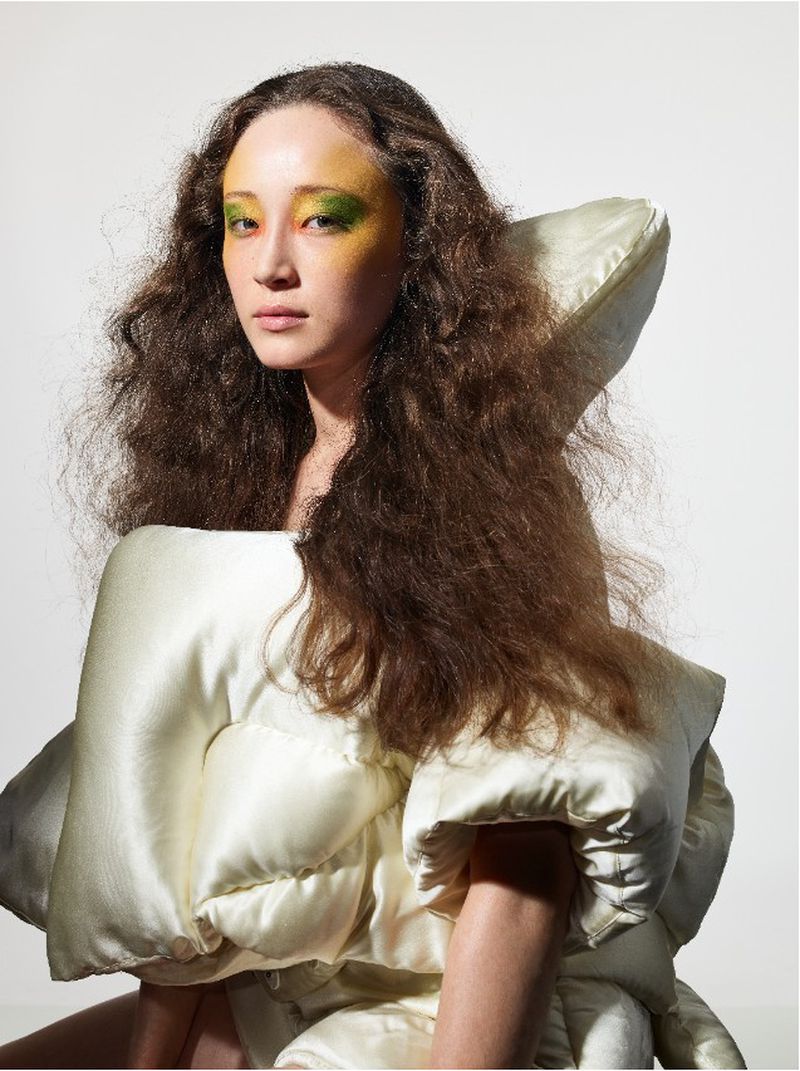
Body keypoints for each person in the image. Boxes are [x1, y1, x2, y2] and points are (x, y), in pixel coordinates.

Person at [0, 62, 744, 1070]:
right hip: (274, 991)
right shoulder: (238, 478)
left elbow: (522, 861)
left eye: (322, 218)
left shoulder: (490, 490)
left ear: (416, 246)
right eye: (241, 222)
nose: (269, 264)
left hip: (452, 1012)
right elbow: (186, 857)